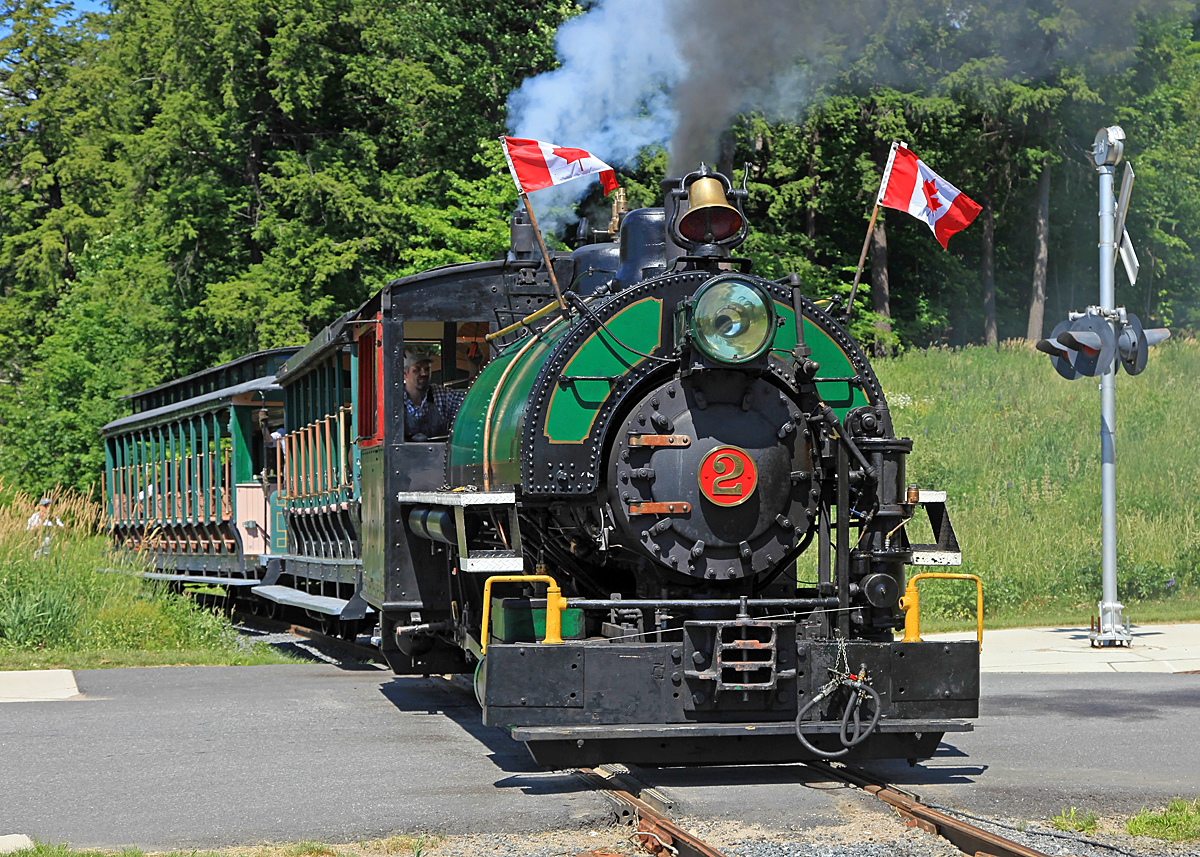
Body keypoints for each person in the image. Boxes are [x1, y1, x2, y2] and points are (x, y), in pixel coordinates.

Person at [404, 349, 465, 440]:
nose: (424, 373)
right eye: (417, 370)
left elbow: (470, 402)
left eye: (427, 369)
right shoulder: (394, 401)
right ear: (405, 374)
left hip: (439, 453)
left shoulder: (442, 395)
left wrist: (473, 368)